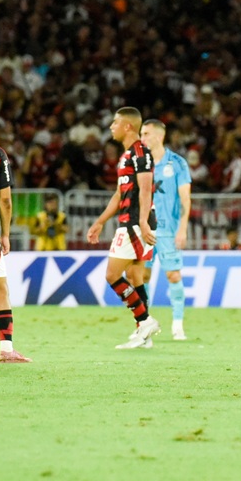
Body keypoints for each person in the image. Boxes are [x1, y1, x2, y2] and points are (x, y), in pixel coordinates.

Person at [86, 107, 160, 349]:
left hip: (135, 224)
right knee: (135, 276)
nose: (111, 127)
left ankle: (145, 321)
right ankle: (144, 334)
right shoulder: (127, 155)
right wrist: (100, 221)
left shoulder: (141, 153)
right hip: (133, 222)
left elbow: (146, 189)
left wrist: (142, 221)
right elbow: (120, 194)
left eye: (115, 122)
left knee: (112, 275)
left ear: (128, 126)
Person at [139, 119, 192, 340]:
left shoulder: (177, 163)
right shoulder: (139, 163)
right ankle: (144, 325)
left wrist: (183, 229)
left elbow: (185, 199)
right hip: (145, 230)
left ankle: (177, 324)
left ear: (159, 136)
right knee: (142, 276)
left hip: (169, 230)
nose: (142, 138)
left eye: (146, 134)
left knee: (173, 274)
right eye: (141, 134)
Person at [0, 138, 31, 363]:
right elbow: (5, 200)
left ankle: (7, 350)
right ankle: (6, 349)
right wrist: (5, 234)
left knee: (0, 288)